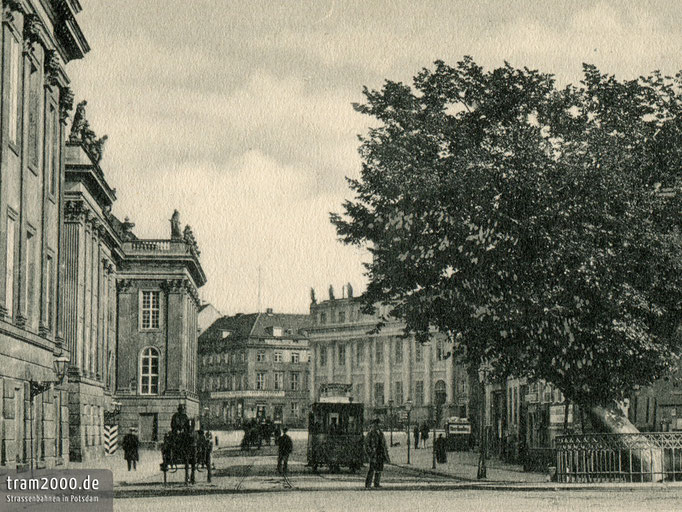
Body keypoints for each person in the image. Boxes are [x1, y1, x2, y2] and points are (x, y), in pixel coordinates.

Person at [364, 418, 390, 489]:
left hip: (380, 453)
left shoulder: (381, 433)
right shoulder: (370, 433)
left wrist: (386, 454)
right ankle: (368, 484)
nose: (377, 425)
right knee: (371, 469)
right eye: (376, 424)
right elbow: (366, 444)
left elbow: (384, 444)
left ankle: (376, 483)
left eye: (378, 424)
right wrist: (370, 452)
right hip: (374, 454)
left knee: (379, 469)